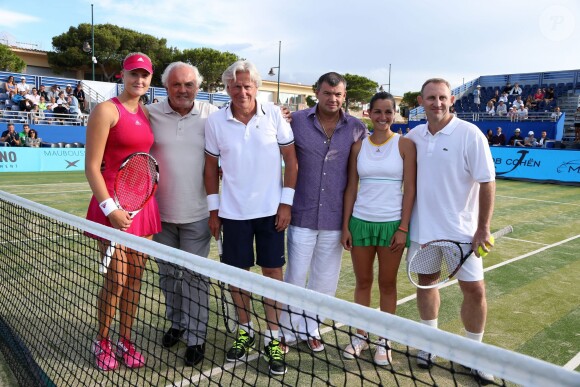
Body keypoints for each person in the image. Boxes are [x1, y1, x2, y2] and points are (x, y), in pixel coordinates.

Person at [204, 60, 298, 375]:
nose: (242, 91)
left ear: (256, 87)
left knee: (273, 274)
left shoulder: (273, 115)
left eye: (247, 85)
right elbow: (209, 168)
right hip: (232, 215)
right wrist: (213, 210)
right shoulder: (215, 122)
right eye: (236, 86)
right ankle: (246, 330)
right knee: (238, 276)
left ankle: (273, 336)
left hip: (272, 213)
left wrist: (286, 204)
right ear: (227, 89)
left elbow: (291, 161)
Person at [405, 78, 496, 384]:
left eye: (442, 97)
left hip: (463, 233)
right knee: (426, 283)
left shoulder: (470, 134)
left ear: (452, 100)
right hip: (423, 231)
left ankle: (474, 353)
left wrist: (482, 228)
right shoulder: (414, 135)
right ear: (421, 101)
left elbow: (487, 182)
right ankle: (429, 344)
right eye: (431, 98)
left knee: (474, 290)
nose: (437, 103)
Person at [278, 72, 367, 352]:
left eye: (338, 94)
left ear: (345, 95)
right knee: (295, 276)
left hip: (335, 218)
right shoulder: (295, 121)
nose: (333, 99)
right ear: (317, 92)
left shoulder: (356, 128)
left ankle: (310, 328)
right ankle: (287, 331)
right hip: (301, 214)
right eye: (328, 93)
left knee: (325, 281)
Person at [84, 52, 161, 372]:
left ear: (150, 79)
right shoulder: (105, 110)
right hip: (111, 208)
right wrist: (110, 209)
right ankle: (102, 339)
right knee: (116, 279)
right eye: (133, 74)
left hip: (143, 206)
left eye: (144, 75)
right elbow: (91, 167)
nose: (138, 80)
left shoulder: (146, 112)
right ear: (122, 75)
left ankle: (125, 339)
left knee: (134, 281)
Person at [148, 62, 217, 367]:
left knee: (195, 280)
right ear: (166, 87)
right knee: (167, 277)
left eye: (189, 84)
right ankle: (176, 324)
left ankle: (196, 338)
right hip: (159, 215)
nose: (183, 90)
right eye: (177, 84)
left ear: (198, 88)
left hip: (198, 215)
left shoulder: (212, 116)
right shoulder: (150, 113)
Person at [341, 92, 416, 365]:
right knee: (362, 282)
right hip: (360, 223)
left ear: (395, 114)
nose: (383, 117)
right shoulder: (358, 147)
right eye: (378, 112)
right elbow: (351, 187)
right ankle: (359, 337)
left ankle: (384, 340)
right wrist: (345, 226)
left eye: (388, 112)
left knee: (387, 284)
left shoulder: (405, 145)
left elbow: (410, 190)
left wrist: (403, 227)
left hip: (391, 226)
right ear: (368, 114)